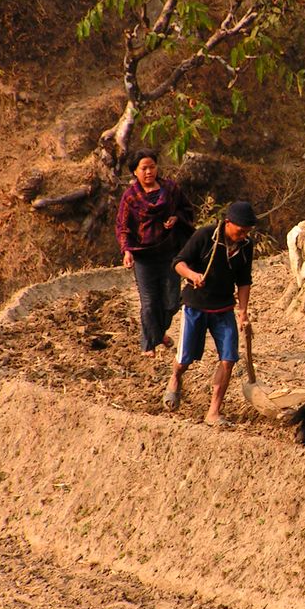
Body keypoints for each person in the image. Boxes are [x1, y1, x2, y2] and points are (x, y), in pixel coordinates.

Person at [162, 200, 257, 426]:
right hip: (196, 306)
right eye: (240, 230)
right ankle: (175, 377)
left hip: (224, 308)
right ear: (227, 223)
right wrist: (193, 275)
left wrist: (243, 312)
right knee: (185, 358)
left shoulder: (245, 246)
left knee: (228, 359)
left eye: (247, 232)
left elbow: (244, 282)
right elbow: (178, 263)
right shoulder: (205, 236)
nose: (243, 235)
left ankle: (213, 411)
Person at [115, 148, 194, 357]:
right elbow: (123, 227)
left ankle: (158, 335)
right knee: (149, 304)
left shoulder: (170, 189)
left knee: (171, 302)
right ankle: (148, 345)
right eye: (144, 168)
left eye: (152, 167)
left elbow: (186, 209)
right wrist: (127, 251)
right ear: (135, 172)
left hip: (169, 253)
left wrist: (176, 218)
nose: (149, 172)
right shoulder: (130, 197)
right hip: (144, 256)